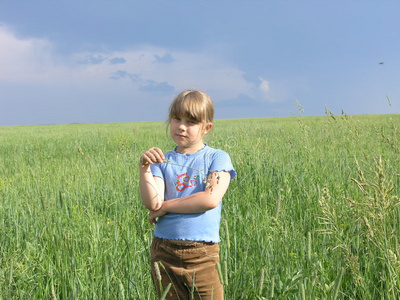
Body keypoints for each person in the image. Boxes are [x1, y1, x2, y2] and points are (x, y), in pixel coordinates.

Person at [139, 90, 236, 299]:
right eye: (176, 119)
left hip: (202, 253)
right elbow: (153, 203)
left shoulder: (216, 158)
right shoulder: (162, 161)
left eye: (191, 121)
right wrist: (144, 169)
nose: (181, 126)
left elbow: (209, 199)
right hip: (164, 250)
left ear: (206, 127)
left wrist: (165, 207)